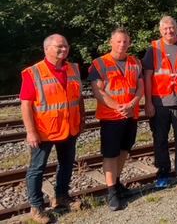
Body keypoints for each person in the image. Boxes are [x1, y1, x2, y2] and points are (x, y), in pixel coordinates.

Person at [20, 34, 85, 223]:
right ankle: (37, 207)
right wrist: (30, 131)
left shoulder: (72, 68)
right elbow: (25, 104)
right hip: (44, 130)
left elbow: (79, 96)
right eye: (59, 46)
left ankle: (62, 197)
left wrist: (82, 119)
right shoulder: (34, 72)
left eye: (66, 46)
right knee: (37, 169)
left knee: (66, 163)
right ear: (46, 49)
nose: (64, 49)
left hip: (69, 127)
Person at [88, 28, 144, 211]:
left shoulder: (136, 63)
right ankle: (111, 191)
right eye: (119, 41)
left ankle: (118, 183)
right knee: (110, 154)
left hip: (130, 114)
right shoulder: (99, 63)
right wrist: (119, 107)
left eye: (126, 42)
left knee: (123, 150)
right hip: (111, 117)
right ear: (111, 42)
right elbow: (99, 92)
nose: (122, 45)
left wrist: (132, 104)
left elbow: (140, 87)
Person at [143, 16, 177, 191]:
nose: (169, 31)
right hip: (159, 102)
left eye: (171, 28)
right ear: (160, 30)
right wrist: (148, 102)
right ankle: (163, 173)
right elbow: (148, 77)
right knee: (160, 140)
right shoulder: (153, 48)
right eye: (165, 28)